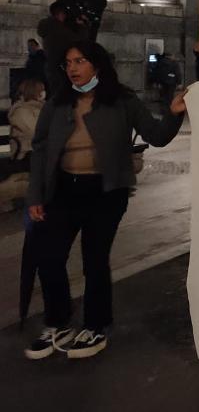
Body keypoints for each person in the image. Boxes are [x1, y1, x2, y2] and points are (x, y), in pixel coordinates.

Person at [25, 41, 186, 359]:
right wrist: (36, 195)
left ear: (96, 64)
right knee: (50, 258)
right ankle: (58, 322)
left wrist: (173, 113)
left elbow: (156, 135)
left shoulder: (121, 100)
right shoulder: (58, 102)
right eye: (68, 62)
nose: (72, 68)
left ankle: (97, 326)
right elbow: (40, 148)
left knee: (94, 260)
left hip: (105, 191)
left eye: (79, 61)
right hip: (64, 190)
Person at [36, 2, 88, 96]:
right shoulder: (58, 29)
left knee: (55, 94)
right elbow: (79, 39)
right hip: (59, 67)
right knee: (62, 95)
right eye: (64, 14)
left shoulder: (47, 26)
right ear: (60, 14)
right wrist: (81, 26)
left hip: (51, 66)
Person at [6, 79, 45, 178]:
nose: (44, 93)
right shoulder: (20, 111)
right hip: (26, 155)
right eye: (41, 90)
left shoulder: (42, 107)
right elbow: (35, 131)